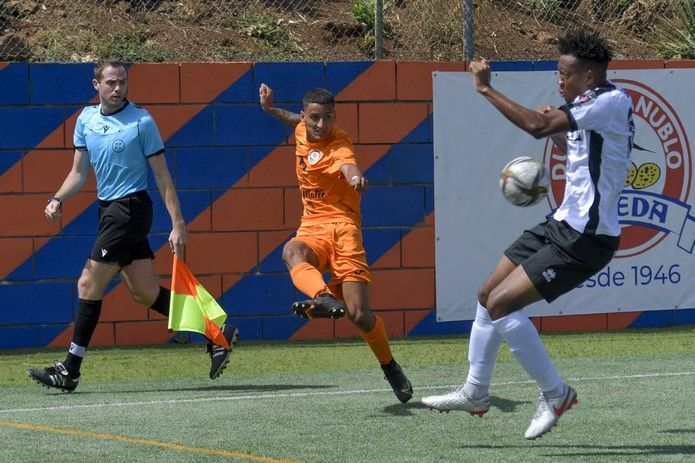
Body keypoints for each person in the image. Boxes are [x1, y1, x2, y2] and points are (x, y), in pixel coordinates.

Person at [422, 30, 634, 439]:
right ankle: (476, 392)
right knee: (487, 294)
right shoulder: (589, 104)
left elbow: (537, 126)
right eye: (558, 73)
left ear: (589, 76)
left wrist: (485, 88)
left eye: (566, 74)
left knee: (502, 305)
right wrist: (562, 135)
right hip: (561, 225)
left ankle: (556, 394)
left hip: (586, 239)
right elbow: (580, 147)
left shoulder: (609, 101)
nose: (560, 81)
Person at [28, 60, 238, 392]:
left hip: (130, 210)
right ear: (95, 85)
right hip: (108, 210)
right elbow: (79, 173)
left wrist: (178, 223)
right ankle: (216, 331)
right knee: (144, 292)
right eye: (110, 83)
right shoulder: (85, 120)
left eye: (122, 83)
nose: (118, 89)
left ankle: (70, 370)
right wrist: (57, 199)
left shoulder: (141, 122)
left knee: (87, 283)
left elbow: (162, 176)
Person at [259, 83, 413, 403]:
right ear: (306, 116)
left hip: (344, 228)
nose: (321, 125)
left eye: (328, 118)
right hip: (312, 226)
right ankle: (325, 297)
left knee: (360, 316)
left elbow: (348, 164)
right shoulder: (302, 127)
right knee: (292, 251)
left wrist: (356, 178)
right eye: (315, 118)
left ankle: (389, 366)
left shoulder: (340, 143)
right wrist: (270, 109)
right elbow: (295, 122)